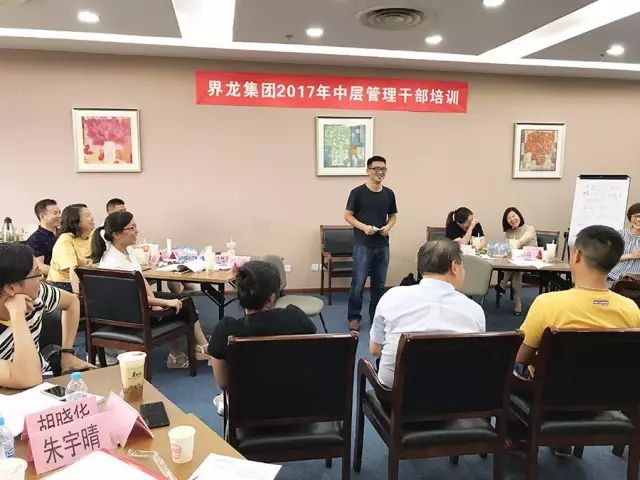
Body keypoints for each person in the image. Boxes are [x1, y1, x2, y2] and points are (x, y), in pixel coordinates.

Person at [91, 211, 211, 368]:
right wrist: (161, 302)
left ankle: (188, 351)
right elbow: (133, 298)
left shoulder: (127, 251)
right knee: (181, 305)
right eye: (132, 228)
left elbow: (141, 281)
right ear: (117, 234)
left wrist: (156, 301)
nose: (137, 231)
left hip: (137, 303)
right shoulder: (113, 263)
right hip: (129, 314)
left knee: (183, 301)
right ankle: (189, 351)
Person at [516, 225, 640, 368]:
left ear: (577, 256)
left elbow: (520, 359)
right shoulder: (631, 309)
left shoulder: (546, 304)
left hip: (555, 382)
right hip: (612, 382)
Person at [370, 239, 485, 388]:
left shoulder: (392, 297)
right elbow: (475, 356)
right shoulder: (474, 310)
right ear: (454, 267)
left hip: (398, 392)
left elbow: (375, 349)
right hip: (455, 392)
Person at [208, 260, 317, 414]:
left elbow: (223, 383)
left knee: (224, 397)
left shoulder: (225, 330)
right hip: (298, 409)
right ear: (271, 298)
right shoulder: (297, 318)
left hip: (249, 414)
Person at [0, 243, 94, 388]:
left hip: (42, 381)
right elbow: (28, 378)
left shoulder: (37, 294)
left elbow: (72, 302)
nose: (42, 277)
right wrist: (17, 314)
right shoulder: (26, 301)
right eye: (36, 273)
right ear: (11, 288)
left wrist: (67, 353)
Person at [344, 155, 398, 332]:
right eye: (376, 169)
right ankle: (354, 317)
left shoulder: (389, 193)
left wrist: (388, 227)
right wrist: (364, 228)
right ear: (368, 171)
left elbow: (393, 216)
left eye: (383, 169)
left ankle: (376, 316)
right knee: (358, 284)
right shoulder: (357, 193)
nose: (380, 172)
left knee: (379, 285)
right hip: (363, 245)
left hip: (382, 245)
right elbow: (347, 216)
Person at [496, 207, 537, 315]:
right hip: (516, 261)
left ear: (519, 215)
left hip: (530, 260)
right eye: (509, 218)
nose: (512, 219)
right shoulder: (509, 232)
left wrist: (512, 247)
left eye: (514, 216)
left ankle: (503, 284)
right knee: (516, 268)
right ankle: (517, 302)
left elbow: (521, 242)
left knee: (515, 267)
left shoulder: (529, 228)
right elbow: (506, 249)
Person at [47, 204, 95, 293]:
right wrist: (76, 295)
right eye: (87, 215)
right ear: (76, 222)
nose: (92, 218)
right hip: (64, 284)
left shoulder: (92, 235)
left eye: (90, 214)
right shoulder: (65, 239)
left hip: (84, 280)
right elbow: (73, 270)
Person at [26, 199, 61, 276]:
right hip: (52, 279)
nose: (59, 216)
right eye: (55, 213)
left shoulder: (64, 233)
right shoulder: (35, 240)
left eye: (59, 212)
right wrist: (64, 274)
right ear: (42, 216)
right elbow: (40, 266)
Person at [608, 202, 640, 282]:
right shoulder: (619, 234)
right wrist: (632, 255)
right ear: (630, 217)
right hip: (613, 277)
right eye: (636, 216)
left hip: (636, 282)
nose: (638, 219)